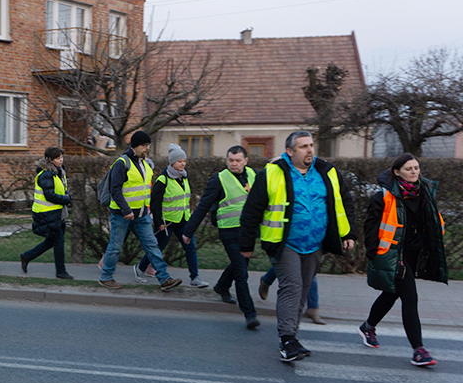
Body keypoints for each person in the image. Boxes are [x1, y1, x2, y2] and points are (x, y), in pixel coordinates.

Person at [239, 131, 355, 363]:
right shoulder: (272, 173)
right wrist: (246, 244)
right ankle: (287, 339)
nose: (310, 149)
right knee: (292, 287)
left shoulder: (327, 172)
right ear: (290, 151)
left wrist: (349, 233)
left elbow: (344, 202)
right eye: (303, 146)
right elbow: (252, 210)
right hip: (284, 243)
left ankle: (291, 336)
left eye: (311, 145)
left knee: (303, 289)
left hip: (315, 244)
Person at [358, 154, 448, 367]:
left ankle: (367, 327)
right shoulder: (384, 196)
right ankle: (418, 350)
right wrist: (375, 253)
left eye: (416, 167)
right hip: (394, 254)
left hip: (415, 253)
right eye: (409, 168)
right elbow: (370, 227)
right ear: (397, 172)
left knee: (392, 293)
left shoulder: (425, 192)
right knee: (410, 297)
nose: (414, 171)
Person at [182, 146, 260, 329]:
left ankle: (222, 286)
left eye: (238, 160)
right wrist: (188, 230)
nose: (234, 163)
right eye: (230, 160)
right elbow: (203, 206)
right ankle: (250, 314)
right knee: (241, 272)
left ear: (246, 161)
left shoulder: (255, 175)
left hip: (248, 232)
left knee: (240, 264)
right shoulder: (219, 179)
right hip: (229, 231)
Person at [98, 131, 182, 291]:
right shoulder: (122, 163)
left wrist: (147, 211)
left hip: (142, 215)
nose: (147, 148)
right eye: (144, 145)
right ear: (135, 146)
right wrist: (126, 210)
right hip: (122, 215)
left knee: (152, 246)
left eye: (148, 145)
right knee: (115, 247)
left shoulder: (145, 163)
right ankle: (106, 277)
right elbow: (115, 190)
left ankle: (164, 279)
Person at [135, 144, 205, 288]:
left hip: (183, 220)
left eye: (184, 161)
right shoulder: (163, 179)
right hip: (167, 223)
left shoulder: (184, 177)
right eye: (179, 161)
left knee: (190, 248)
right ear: (172, 162)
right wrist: (159, 222)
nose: (182, 164)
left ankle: (195, 278)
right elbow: (155, 203)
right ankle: (140, 269)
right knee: (157, 248)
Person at [20, 147, 73, 280]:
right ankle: (61, 271)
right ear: (50, 160)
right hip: (47, 213)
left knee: (53, 240)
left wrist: (66, 195)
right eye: (57, 158)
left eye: (61, 157)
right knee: (59, 241)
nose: (61, 160)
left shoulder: (59, 172)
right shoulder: (46, 174)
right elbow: (50, 195)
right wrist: (66, 199)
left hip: (56, 213)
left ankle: (27, 256)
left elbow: (61, 189)